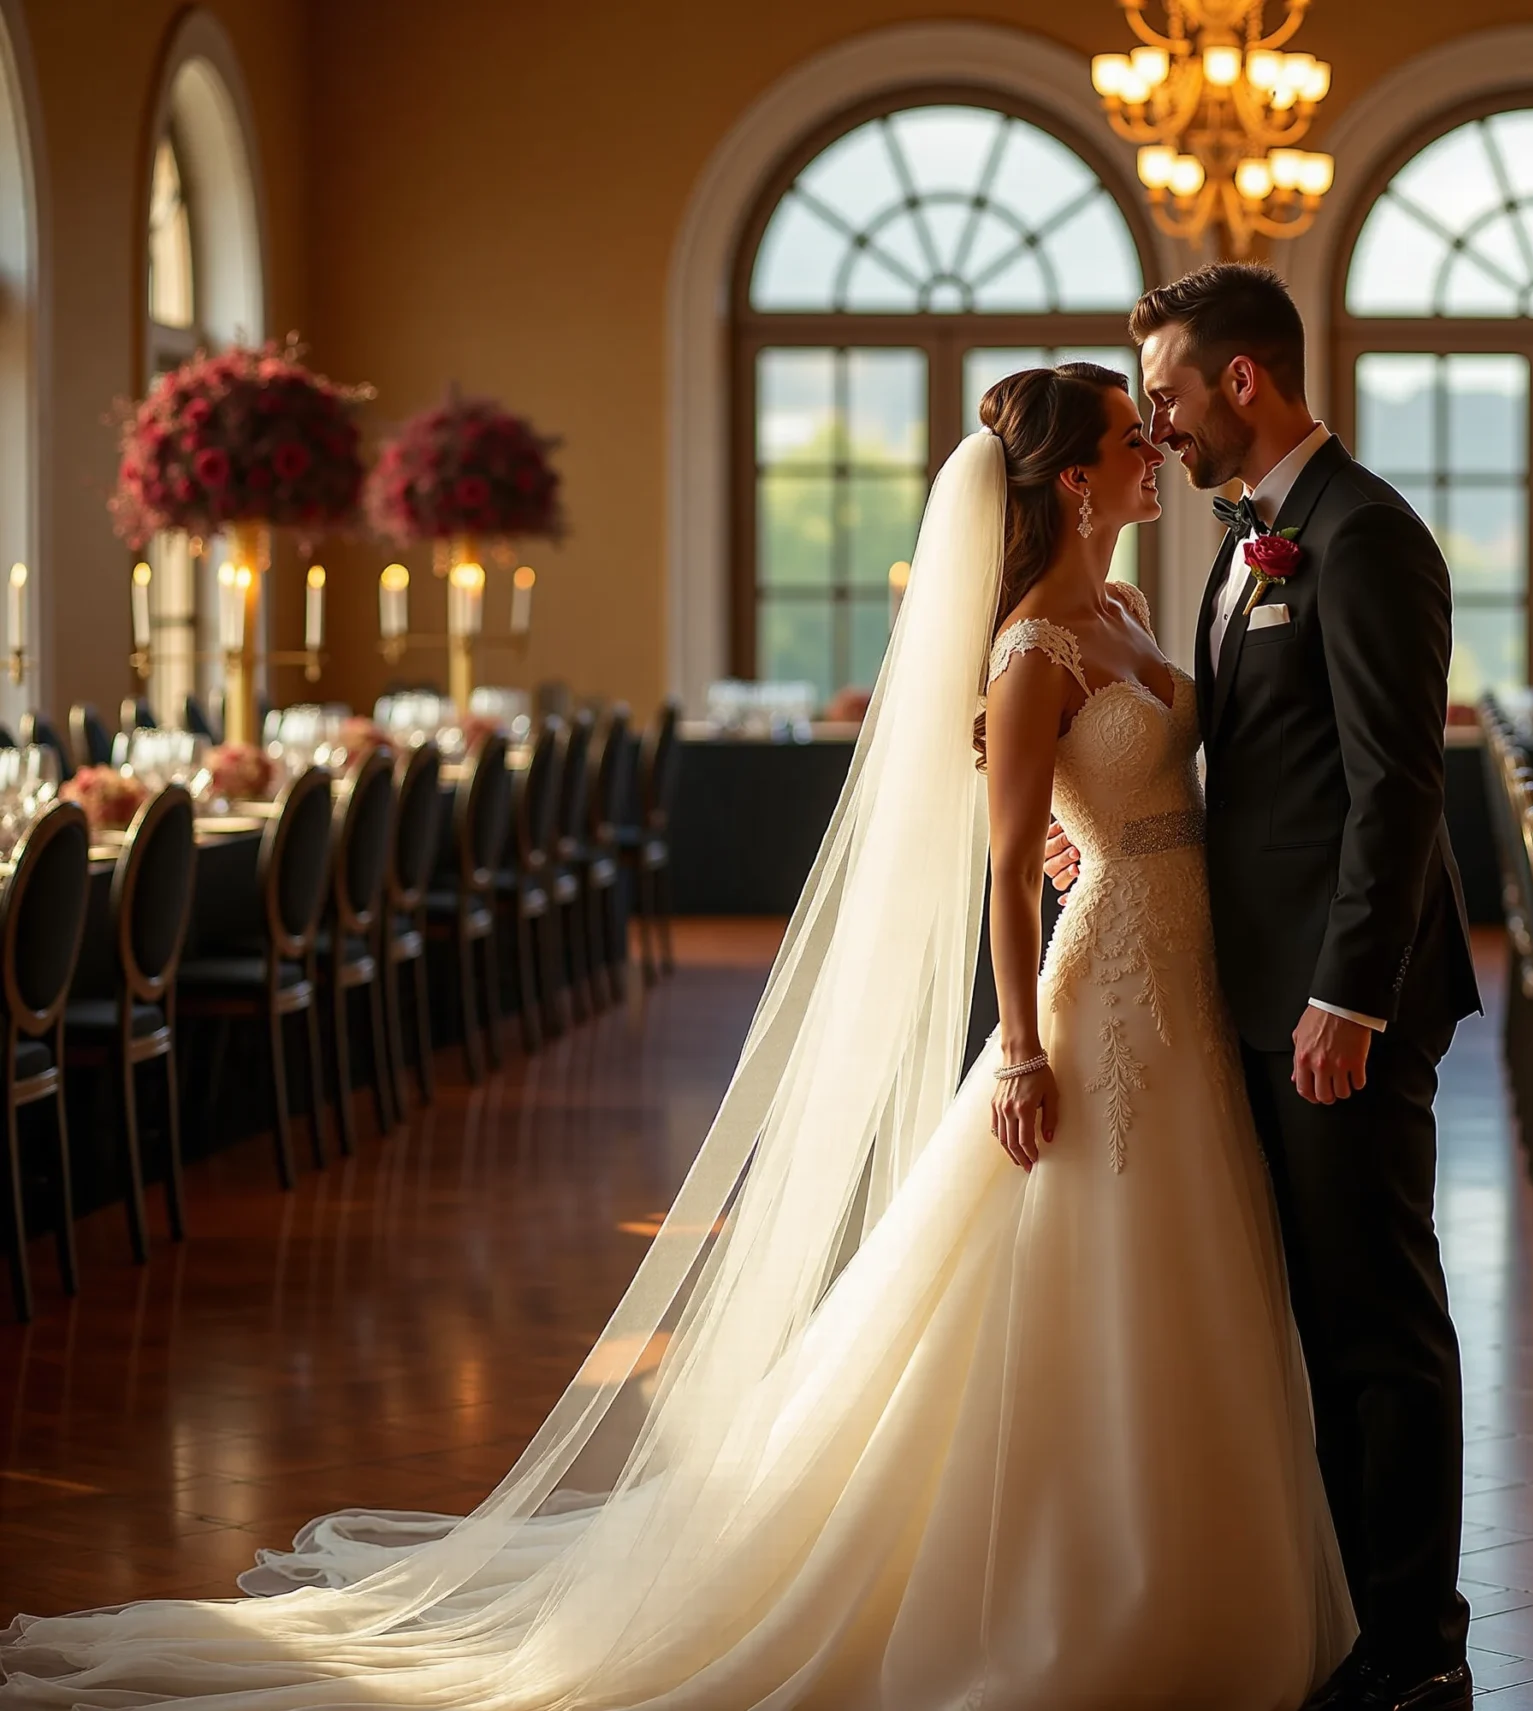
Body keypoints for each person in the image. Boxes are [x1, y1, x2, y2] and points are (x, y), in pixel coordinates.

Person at [0, 364, 1353, 1709]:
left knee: (1184, 1264)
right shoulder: (1026, 654)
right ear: (1074, 479)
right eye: (1132, 438)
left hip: (1179, 990)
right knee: (1073, 1267)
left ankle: (1194, 1566)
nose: (1156, 449)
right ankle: (1072, 1591)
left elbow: (1146, 787)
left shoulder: (1118, 609)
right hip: (1094, 995)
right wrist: (1016, 1045)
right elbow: (1006, 869)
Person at [1055, 263, 1481, 1711]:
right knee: (1311, 1310)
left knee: (1378, 1316)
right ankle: (1354, 1605)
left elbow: (1398, 791)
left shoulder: (1362, 538)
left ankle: (1418, 1643)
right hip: (1251, 987)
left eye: (1166, 391)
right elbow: (1248, 769)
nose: (1156, 423)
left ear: (1244, 379)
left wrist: (1348, 998)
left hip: (1335, 1002)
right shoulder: (1250, 546)